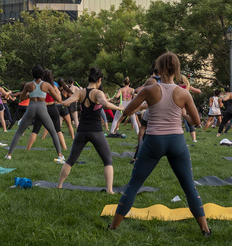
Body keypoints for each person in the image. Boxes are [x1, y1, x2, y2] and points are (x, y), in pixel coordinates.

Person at [109, 52, 210, 236]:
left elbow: (128, 109)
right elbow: (196, 121)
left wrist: (141, 103)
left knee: (134, 184)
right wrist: (182, 114)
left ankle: (113, 226)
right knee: (189, 186)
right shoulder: (183, 93)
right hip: (177, 141)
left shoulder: (150, 90)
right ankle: (205, 229)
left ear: (159, 69)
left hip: (154, 140)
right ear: (176, 70)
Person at [58, 67, 122, 193]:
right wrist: (119, 108)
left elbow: (66, 102)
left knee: (71, 159)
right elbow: (105, 104)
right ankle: (109, 190)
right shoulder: (98, 93)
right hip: (96, 131)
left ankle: (59, 185)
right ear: (99, 80)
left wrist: (60, 102)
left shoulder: (80, 92)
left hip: (81, 131)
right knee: (108, 160)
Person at [4, 65, 65, 162]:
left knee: (19, 132)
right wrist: (47, 92)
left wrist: (31, 94)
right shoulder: (46, 85)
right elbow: (58, 98)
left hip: (31, 107)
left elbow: (22, 98)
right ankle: (60, 155)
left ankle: (9, 154)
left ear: (33, 74)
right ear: (42, 74)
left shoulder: (28, 85)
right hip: (42, 108)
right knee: (53, 132)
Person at [26, 69, 66, 152]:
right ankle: (64, 148)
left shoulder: (41, 86)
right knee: (58, 129)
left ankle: (28, 149)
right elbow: (59, 99)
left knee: (36, 129)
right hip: (53, 108)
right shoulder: (54, 86)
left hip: (42, 108)